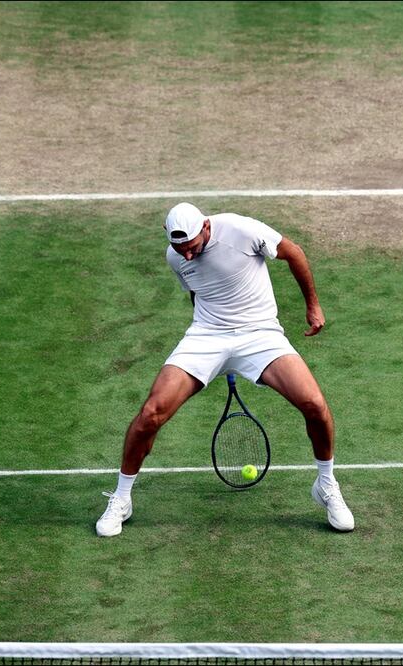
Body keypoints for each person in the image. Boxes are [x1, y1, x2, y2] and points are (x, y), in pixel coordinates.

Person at [96, 203, 354, 536]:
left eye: (191, 247)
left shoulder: (241, 230)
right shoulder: (175, 257)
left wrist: (313, 306)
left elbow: (294, 253)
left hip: (260, 334)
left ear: (205, 227)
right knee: (151, 414)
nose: (186, 256)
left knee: (315, 405)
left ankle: (326, 485)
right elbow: (198, 295)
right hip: (206, 335)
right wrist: (217, 355)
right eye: (180, 249)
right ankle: (121, 498)